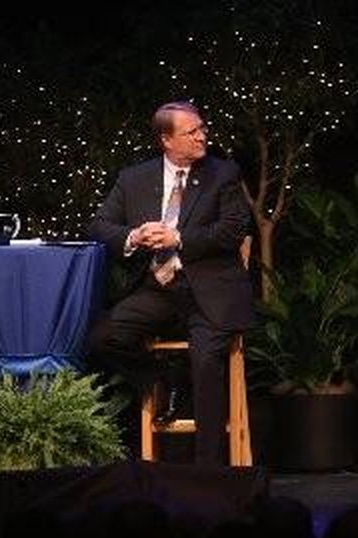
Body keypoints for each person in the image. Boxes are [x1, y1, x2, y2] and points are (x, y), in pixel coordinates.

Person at [88, 101, 253, 466]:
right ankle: (162, 379)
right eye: (190, 131)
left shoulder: (222, 173)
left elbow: (233, 229)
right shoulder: (134, 179)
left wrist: (178, 238)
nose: (201, 136)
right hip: (159, 289)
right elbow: (100, 226)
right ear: (166, 139)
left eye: (202, 128)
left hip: (210, 291)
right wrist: (134, 235)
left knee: (206, 359)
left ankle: (208, 471)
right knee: (103, 336)